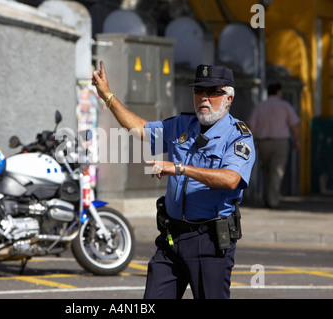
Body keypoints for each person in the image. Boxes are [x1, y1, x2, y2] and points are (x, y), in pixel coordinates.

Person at [92, 61, 256, 299]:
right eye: (199, 91)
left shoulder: (238, 136)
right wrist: (107, 96)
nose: (204, 98)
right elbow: (139, 129)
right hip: (171, 238)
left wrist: (179, 168)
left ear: (228, 98)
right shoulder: (182, 124)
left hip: (209, 240)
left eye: (213, 92)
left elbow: (231, 179)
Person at [248, 83, 300, 208]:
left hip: (263, 142)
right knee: (277, 171)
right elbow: (294, 124)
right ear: (278, 92)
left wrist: (250, 142)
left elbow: (251, 125)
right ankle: (273, 200)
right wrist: (297, 139)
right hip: (280, 142)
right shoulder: (285, 106)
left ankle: (267, 197)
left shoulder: (260, 106)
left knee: (266, 170)